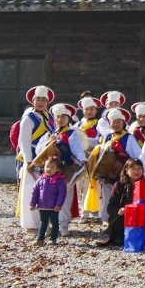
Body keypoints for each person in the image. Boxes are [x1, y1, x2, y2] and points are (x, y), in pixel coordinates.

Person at [90, 108, 141, 224]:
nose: (116, 124)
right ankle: (106, 219)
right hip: (108, 173)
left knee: (119, 197)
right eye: (113, 122)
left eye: (119, 121)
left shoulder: (128, 138)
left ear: (123, 123)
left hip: (121, 174)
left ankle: (118, 220)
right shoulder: (108, 137)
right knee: (106, 197)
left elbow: (137, 155)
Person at [18, 85, 55, 232]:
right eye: (38, 99)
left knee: (46, 192)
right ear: (32, 101)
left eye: (44, 100)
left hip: (46, 159)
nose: (40, 102)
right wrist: (28, 161)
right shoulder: (28, 118)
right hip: (32, 158)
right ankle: (30, 224)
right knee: (30, 192)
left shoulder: (50, 117)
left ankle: (43, 223)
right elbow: (24, 141)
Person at [48, 103, 87, 236]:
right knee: (50, 197)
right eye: (58, 117)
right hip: (52, 170)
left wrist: (82, 161)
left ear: (68, 119)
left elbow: (77, 149)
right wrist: (49, 142)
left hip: (66, 169)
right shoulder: (51, 133)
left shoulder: (72, 133)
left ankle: (63, 225)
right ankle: (52, 224)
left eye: (63, 117)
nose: (60, 120)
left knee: (64, 197)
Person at [95, 159, 144, 247]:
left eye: (139, 168)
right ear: (126, 170)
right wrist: (119, 210)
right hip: (123, 218)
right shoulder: (119, 185)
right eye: (133, 168)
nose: (137, 171)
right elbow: (110, 207)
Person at [76, 96, 103, 223]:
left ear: (96, 110)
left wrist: (84, 140)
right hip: (79, 158)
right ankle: (82, 211)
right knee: (79, 185)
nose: (89, 112)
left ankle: (93, 211)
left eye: (92, 109)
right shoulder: (78, 125)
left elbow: (99, 139)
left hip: (93, 156)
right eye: (87, 109)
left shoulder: (99, 124)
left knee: (91, 185)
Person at [30, 158, 67, 246]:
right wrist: (32, 203)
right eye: (47, 167)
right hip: (42, 206)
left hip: (53, 207)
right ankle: (40, 238)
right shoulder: (41, 179)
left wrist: (59, 204)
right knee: (43, 222)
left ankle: (53, 239)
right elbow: (35, 192)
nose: (48, 169)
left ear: (57, 169)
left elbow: (62, 194)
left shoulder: (59, 181)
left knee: (54, 222)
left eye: (52, 167)